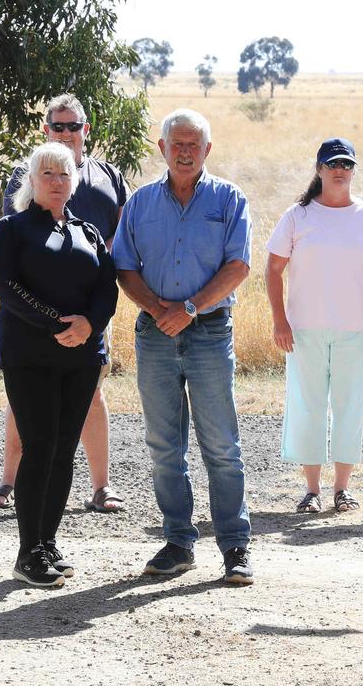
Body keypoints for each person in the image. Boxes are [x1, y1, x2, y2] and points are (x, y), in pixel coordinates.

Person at [113, 108, 255, 585]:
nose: (186, 150)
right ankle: (178, 542)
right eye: (177, 143)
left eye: (195, 143)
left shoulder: (229, 199)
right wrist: (158, 309)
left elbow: (238, 266)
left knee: (220, 444)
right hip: (154, 334)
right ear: (162, 148)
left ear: (208, 150)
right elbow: (124, 267)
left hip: (210, 332)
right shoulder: (139, 204)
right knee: (163, 445)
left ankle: (235, 545)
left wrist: (189, 308)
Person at [0, 94, 129, 514]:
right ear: (45, 131)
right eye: (57, 126)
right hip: (30, 314)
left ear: (87, 129)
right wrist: (46, 313)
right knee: (23, 397)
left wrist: (93, 310)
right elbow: (11, 241)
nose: (66, 133)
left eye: (73, 126)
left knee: (92, 394)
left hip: (92, 313)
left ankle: (101, 487)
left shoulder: (108, 176)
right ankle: (10, 481)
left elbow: (121, 235)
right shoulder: (22, 174)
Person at [265, 138, 363, 514]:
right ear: (319, 169)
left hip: (356, 329)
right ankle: (311, 490)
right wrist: (279, 319)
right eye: (332, 164)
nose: (340, 170)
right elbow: (273, 269)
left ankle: (342, 489)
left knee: (348, 406)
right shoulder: (298, 216)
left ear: (353, 170)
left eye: (347, 164)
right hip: (304, 329)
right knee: (308, 405)